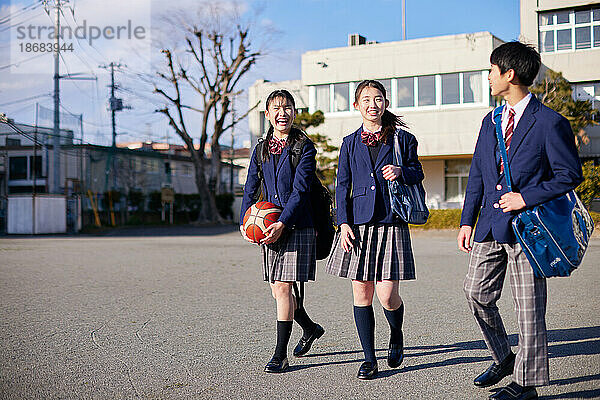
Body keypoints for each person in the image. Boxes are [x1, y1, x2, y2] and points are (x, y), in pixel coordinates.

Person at [458, 42, 583, 400]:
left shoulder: (550, 122)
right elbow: (479, 173)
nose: (488, 76)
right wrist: (467, 219)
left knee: (528, 307)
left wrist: (525, 197)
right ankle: (503, 356)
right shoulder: (491, 120)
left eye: (492, 70)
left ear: (509, 74)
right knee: (475, 292)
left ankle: (527, 385)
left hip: (530, 228)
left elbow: (568, 174)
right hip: (490, 225)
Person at [326, 80, 424, 380]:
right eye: (366, 99)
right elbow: (342, 186)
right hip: (358, 225)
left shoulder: (403, 139)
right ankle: (369, 358)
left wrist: (401, 171)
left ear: (386, 103)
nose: (373, 104)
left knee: (386, 294)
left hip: (391, 222)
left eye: (378, 98)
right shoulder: (349, 142)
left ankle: (396, 332)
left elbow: (418, 172)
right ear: (356, 105)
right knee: (362, 291)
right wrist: (342, 223)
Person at [240, 89, 325, 373]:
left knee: (283, 287)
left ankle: (280, 354)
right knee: (279, 291)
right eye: (276, 108)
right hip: (266, 225)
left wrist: (283, 223)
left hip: (296, 224)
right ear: (267, 115)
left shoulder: (304, 147)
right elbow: (250, 187)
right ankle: (310, 328)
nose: (282, 113)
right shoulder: (261, 148)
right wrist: (245, 222)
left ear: (294, 112)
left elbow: (301, 191)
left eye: (287, 107)